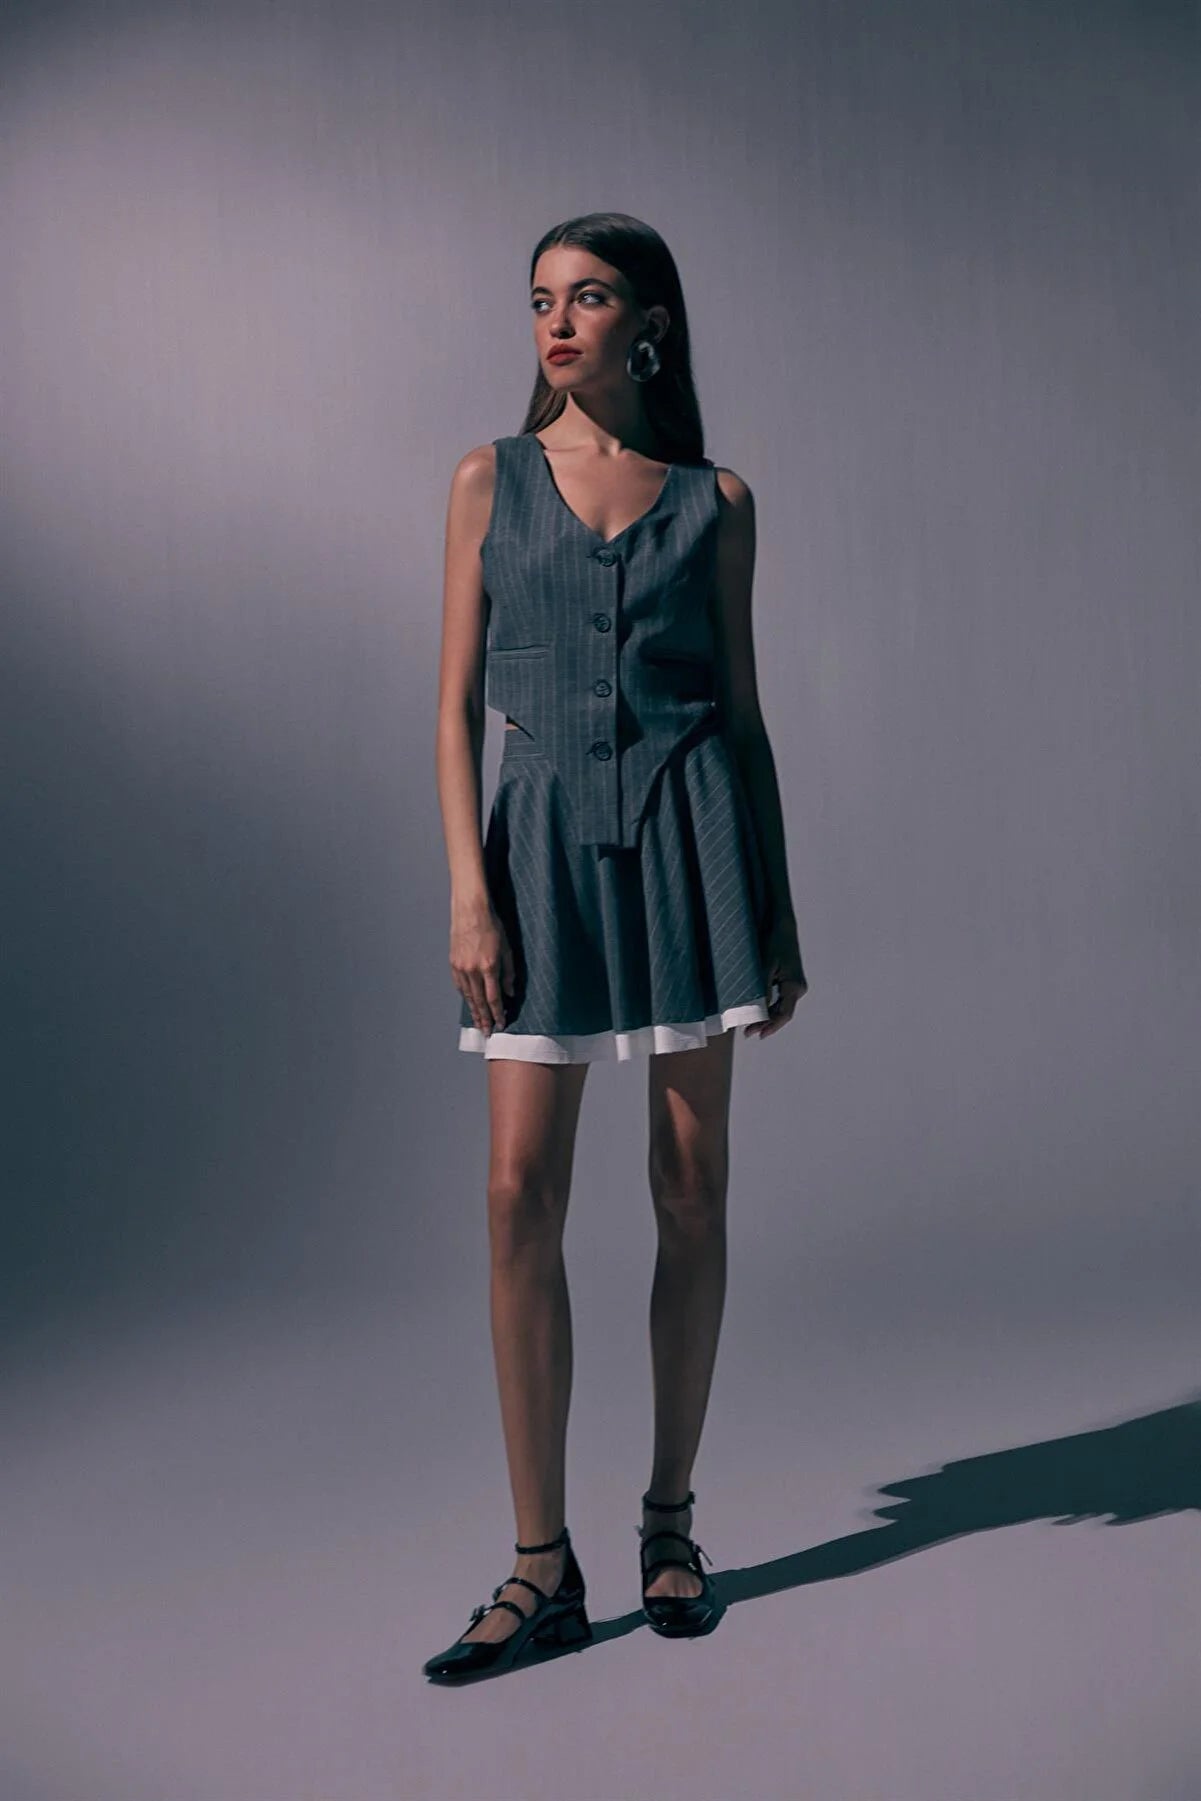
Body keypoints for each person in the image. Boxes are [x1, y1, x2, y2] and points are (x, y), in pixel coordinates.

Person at [428, 212, 807, 1681]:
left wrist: (775, 910)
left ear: (648, 325)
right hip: (535, 857)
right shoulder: (487, 479)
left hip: (696, 847)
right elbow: (452, 708)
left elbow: (745, 720)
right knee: (516, 1193)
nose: (556, 321)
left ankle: (667, 1522)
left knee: (690, 1191)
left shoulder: (716, 500)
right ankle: (541, 1564)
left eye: (587, 298)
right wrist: (468, 891)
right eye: (540, 299)